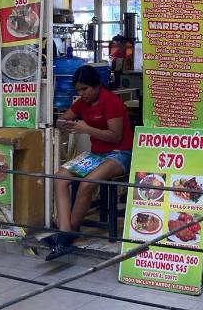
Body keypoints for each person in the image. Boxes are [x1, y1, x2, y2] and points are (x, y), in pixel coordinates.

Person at [47, 65, 133, 260]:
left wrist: (86, 128)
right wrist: (64, 124)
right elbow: (63, 118)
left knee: (87, 184)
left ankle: (67, 236)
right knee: (60, 177)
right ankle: (65, 231)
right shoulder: (82, 103)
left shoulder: (111, 102)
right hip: (97, 154)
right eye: (78, 90)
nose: (81, 93)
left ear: (96, 86)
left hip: (120, 154)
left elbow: (115, 136)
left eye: (85, 89)